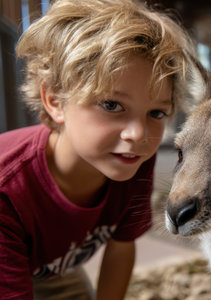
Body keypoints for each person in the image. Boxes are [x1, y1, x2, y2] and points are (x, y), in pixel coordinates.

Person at [0, 0, 194, 299]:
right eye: (112, 105)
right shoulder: (8, 190)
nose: (138, 134)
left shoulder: (133, 157)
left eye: (155, 113)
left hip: (51, 266)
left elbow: (121, 245)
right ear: (54, 100)